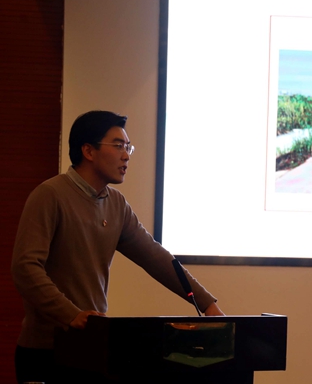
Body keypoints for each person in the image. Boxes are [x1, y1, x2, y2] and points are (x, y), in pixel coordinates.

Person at [11, 111, 224, 384]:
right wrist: (71, 314)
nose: (126, 156)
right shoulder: (50, 195)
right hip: (45, 352)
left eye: (128, 147)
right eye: (118, 145)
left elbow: (155, 257)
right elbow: (25, 269)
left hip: (91, 348)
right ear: (88, 151)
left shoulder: (116, 204)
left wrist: (207, 304)